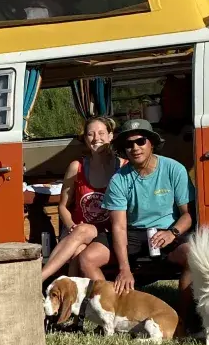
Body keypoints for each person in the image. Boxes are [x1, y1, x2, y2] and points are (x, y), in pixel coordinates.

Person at [77, 119, 196, 325]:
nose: (135, 148)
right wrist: (124, 268)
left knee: (194, 255)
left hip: (167, 231)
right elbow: (119, 226)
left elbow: (188, 215)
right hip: (132, 232)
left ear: (151, 143)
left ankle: (183, 319)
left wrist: (172, 233)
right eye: (129, 144)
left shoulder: (174, 169)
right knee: (87, 258)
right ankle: (115, 313)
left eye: (140, 141)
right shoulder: (118, 179)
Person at [39, 114, 123, 281]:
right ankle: (77, 302)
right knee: (79, 246)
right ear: (85, 138)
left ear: (111, 136)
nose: (96, 138)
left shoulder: (122, 167)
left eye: (101, 133)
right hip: (78, 230)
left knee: (82, 241)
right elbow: (62, 206)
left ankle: (40, 280)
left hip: (108, 233)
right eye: (90, 134)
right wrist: (70, 225)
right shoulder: (76, 167)